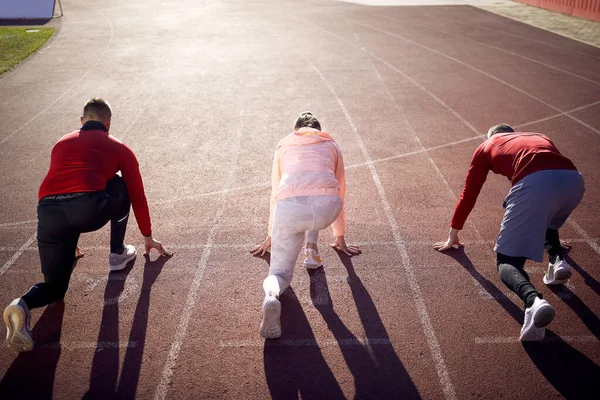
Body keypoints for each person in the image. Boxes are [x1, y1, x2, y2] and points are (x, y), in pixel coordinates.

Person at [3, 98, 173, 352]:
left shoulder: (61, 142)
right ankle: (117, 253)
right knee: (121, 183)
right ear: (108, 122)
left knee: (55, 288)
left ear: (82, 122)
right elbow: (137, 194)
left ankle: (22, 303)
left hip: (48, 213)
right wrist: (147, 235)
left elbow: (65, 188)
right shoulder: (118, 147)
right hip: (87, 209)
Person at [434, 124, 585, 341]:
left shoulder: (487, 145)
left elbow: (469, 192)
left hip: (535, 183)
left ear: (492, 136)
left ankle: (533, 302)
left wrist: (453, 233)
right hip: (574, 181)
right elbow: (552, 172)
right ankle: (557, 261)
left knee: (507, 262)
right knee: (546, 216)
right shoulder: (539, 135)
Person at [250, 112, 360, 339]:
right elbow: (340, 188)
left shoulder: (283, 146)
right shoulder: (332, 145)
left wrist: (272, 233)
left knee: (279, 274)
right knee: (318, 191)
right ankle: (311, 251)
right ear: (319, 130)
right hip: (327, 208)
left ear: (296, 130)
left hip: (290, 208)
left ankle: (271, 296)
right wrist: (340, 236)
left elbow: (275, 192)